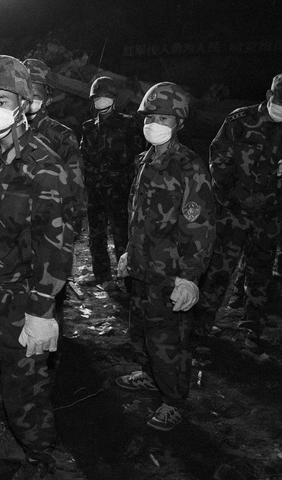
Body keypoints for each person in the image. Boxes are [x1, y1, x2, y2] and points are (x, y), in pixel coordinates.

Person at [0, 55, 75, 479]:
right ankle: (10, 440)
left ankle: (39, 459)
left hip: (24, 297)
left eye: (2, 100)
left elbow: (56, 244)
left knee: (26, 388)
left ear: (23, 104)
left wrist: (43, 309)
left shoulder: (45, 166)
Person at [116, 82, 215, 431]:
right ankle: (149, 375)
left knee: (168, 340)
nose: (154, 124)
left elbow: (199, 227)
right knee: (141, 331)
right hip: (142, 266)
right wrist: (128, 252)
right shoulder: (145, 160)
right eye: (150, 117)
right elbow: (137, 215)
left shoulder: (189, 166)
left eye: (163, 118)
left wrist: (190, 277)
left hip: (170, 272)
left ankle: (174, 400)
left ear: (179, 123)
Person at [195, 73, 282, 347]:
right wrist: (239, 197)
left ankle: (251, 329)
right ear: (269, 96)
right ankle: (201, 326)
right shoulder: (240, 121)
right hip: (233, 212)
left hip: (269, 214)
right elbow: (218, 160)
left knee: (260, 274)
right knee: (218, 270)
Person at [23, 58, 85, 344]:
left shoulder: (62, 136)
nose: (31, 99)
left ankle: (52, 355)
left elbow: (75, 190)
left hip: (50, 234)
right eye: (26, 91)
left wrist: (70, 238)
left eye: (37, 92)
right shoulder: (6, 134)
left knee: (50, 302)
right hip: (17, 235)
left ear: (47, 96)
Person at [79, 76, 145, 289]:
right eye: (98, 96)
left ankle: (128, 279)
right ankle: (102, 277)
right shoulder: (88, 127)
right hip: (95, 190)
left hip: (119, 190)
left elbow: (137, 156)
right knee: (96, 235)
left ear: (114, 98)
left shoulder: (128, 123)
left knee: (122, 236)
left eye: (106, 96)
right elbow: (83, 157)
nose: (102, 100)